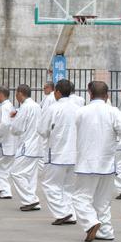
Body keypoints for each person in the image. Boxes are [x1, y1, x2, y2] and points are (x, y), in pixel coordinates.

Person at [72, 81, 121, 242]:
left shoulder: (81, 112)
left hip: (87, 162)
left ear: (89, 93)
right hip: (107, 162)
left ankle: (91, 222)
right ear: (107, 95)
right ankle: (105, 231)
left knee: (80, 197)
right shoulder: (114, 112)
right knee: (103, 200)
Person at [38, 79, 80, 225]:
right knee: (68, 187)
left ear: (58, 92)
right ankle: (70, 213)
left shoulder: (53, 108)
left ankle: (62, 213)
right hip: (74, 154)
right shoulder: (78, 108)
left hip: (56, 153)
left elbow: (42, 131)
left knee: (49, 184)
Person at [9, 84, 43, 211]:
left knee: (16, 172)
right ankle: (32, 199)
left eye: (16, 93)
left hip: (27, 145)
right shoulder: (36, 106)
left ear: (20, 93)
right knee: (30, 175)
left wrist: (13, 121)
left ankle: (30, 200)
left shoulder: (25, 107)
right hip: (37, 145)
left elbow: (17, 129)